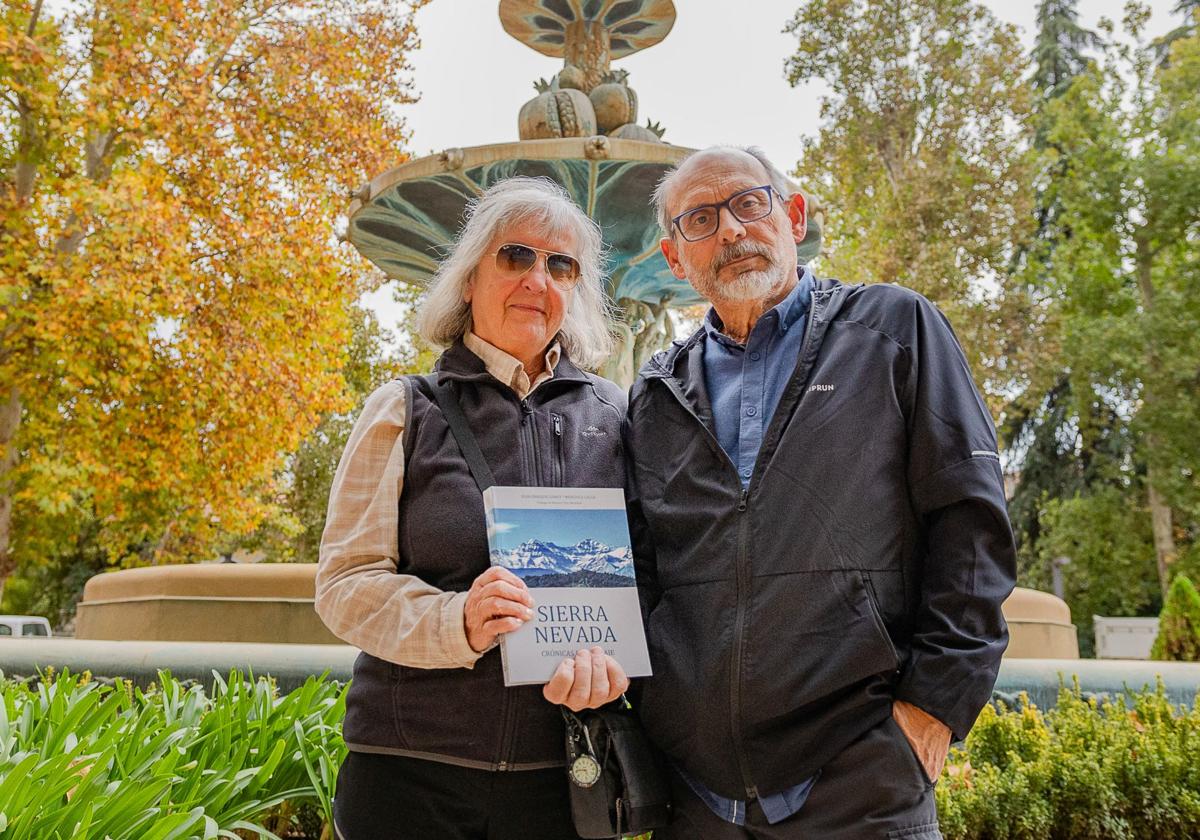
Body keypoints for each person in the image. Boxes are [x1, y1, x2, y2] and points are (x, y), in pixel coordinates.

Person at [624, 146, 1017, 839]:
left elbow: (972, 523)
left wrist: (934, 706)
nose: (733, 231)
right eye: (702, 220)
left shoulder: (893, 330)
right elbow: (645, 571)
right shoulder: (654, 395)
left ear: (794, 216)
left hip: (858, 781)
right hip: (696, 796)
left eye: (750, 203)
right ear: (674, 257)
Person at [316, 177, 632, 840]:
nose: (537, 279)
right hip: (409, 776)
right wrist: (455, 620)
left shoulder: (619, 418)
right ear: (468, 279)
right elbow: (343, 585)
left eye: (560, 264)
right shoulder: (405, 408)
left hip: (560, 780)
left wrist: (617, 667)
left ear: (574, 289)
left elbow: (656, 581)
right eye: (515, 256)